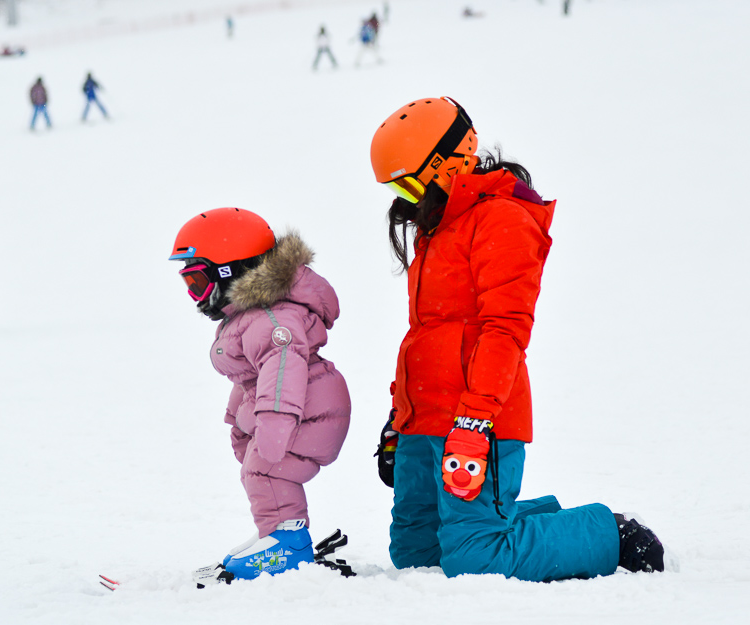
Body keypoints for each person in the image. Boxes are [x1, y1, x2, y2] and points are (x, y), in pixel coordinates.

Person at [369, 97, 669, 581]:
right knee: (417, 555)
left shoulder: (501, 219)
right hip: (423, 417)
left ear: (448, 164)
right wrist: (397, 416)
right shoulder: (437, 228)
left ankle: (605, 534)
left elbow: (504, 330)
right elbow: (424, 336)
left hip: (477, 418)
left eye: (409, 183)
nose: (405, 199)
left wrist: (474, 421)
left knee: (474, 559)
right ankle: (511, 519)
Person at [168, 208, 351, 582]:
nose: (194, 296)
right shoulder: (253, 316)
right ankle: (278, 534)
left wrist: (273, 423)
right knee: (263, 471)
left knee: (267, 470)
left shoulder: (273, 319)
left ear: (229, 271)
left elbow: (283, 372)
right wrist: (239, 420)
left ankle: (287, 544)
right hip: (301, 408)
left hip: (307, 412)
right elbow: (251, 380)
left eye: (197, 282)